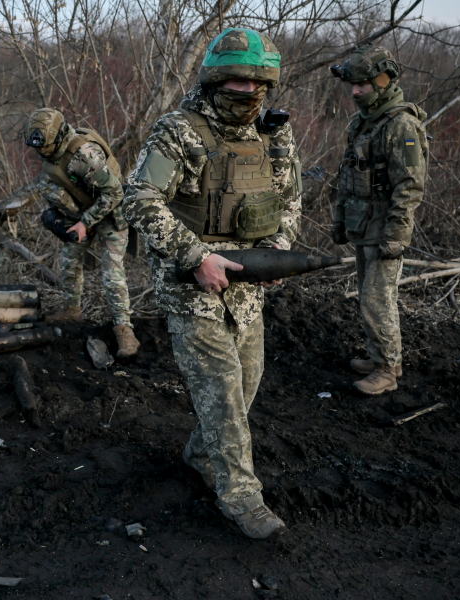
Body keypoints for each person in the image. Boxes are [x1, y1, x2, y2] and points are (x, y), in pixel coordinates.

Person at [122, 28, 302, 539]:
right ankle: (242, 498)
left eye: (256, 82)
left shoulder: (275, 133)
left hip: (248, 284)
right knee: (222, 396)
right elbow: (139, 199)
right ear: (214, 79)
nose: (247, 92)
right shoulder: (177, 131)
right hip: (190, 284)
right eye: (235, 82)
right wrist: (197, 256)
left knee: (247, 383)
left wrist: (279, 255)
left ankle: (202, 453)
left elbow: (290, 200)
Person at [329, 46, 429, 395]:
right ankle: (380, 356)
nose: (355, 91)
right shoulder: (362, 122)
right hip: (363, 224)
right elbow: (347, 174)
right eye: (353, 85)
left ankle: (388, 368)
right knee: (367, 295)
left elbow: (410, 186)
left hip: (385, 228)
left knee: (376, 298)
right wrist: (340, 218)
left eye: (363, 84)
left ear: (383, 82)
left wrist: (397, 235)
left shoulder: (401, 124)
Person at [2, 108, 140, 358]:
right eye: (37, 148)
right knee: (68, 260)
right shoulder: (51, 154)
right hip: (83, 211)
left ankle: (124, 328)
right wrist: (55, 215)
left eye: (44, 147)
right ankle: (72, 310)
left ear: (58, 136)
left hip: (110, 212)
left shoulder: (85, 154)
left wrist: (86, 223)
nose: (40, 152)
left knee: (112, 273)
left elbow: (115, 193)